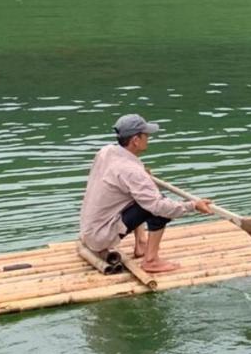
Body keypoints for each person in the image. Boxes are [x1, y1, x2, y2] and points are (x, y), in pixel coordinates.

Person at [79, 113, 212, 274]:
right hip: (102, 236)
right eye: (146, 135)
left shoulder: (106, 152)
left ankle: (141, 243)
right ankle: (151, 261)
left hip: (89, 230)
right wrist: (193, 206)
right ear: (136, 140)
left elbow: (119, 179)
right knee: (159, 205)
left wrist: (143, 177)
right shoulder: (132, 171)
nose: (148, 138)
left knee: (144, 196)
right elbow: (159, 207)